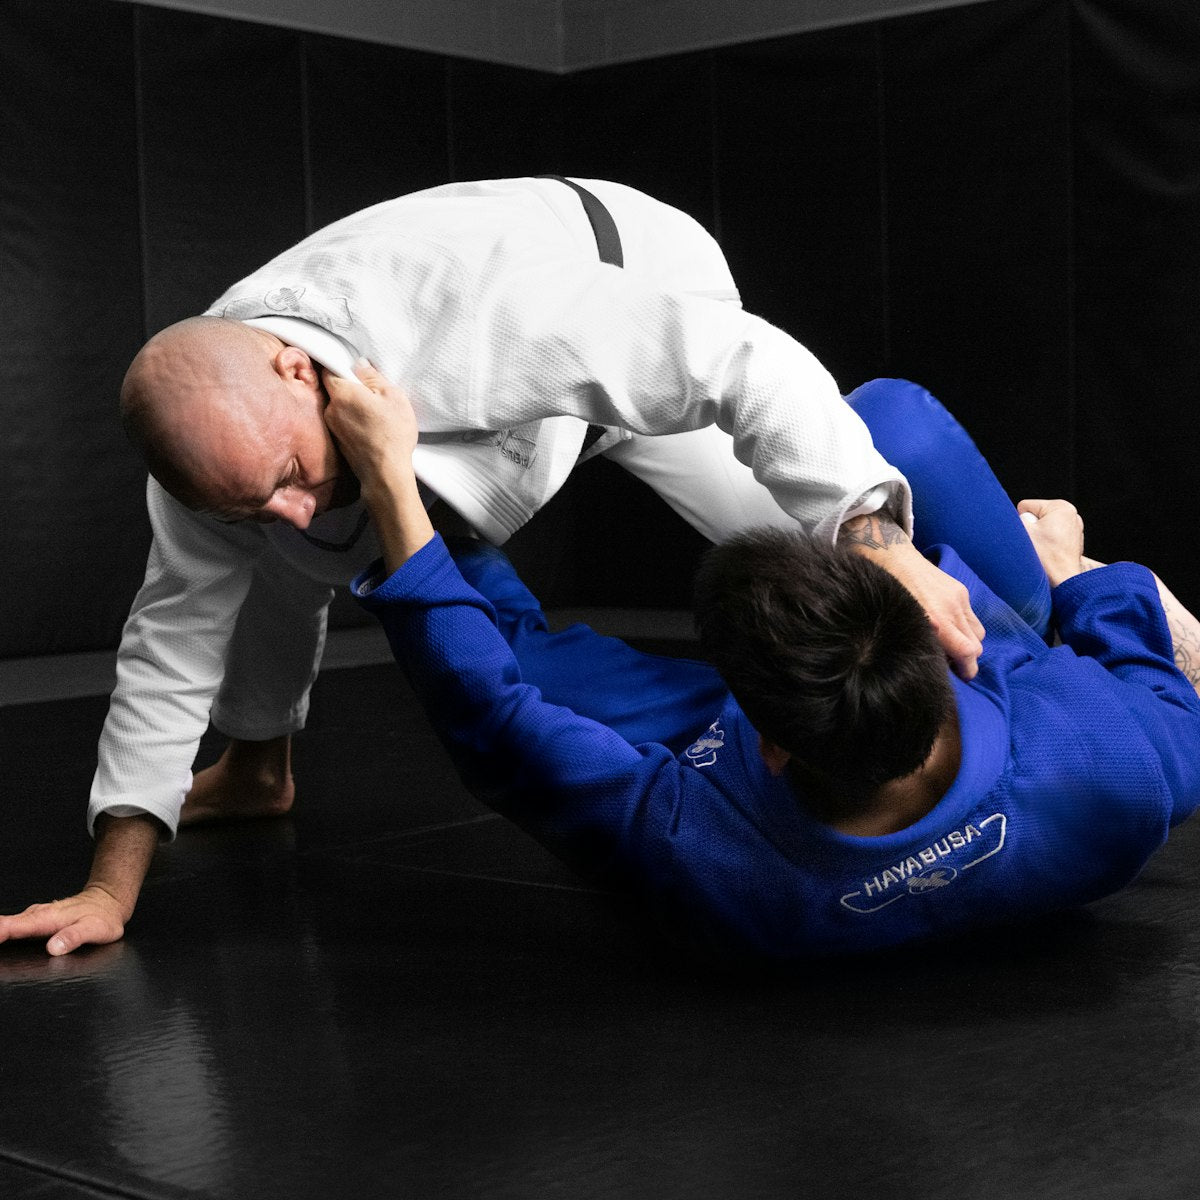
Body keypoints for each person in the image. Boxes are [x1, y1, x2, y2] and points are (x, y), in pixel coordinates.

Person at [0, 176, 985, 956]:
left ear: (296, 371)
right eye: (253, 498)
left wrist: (876, 539)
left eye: (290, 475)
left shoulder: (477, 314)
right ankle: (258, 767)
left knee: (832, 555)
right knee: (281, 549)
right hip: (434, 399)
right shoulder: (222, 445)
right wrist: (108, 886)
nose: (288, 510)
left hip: (632, 271)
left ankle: (1023, 607)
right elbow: (171, 639)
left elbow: (745, 363)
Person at [328, 363, 1200, 963]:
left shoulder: (711, 861)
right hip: (996, 665)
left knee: (513, 653)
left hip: (807, 739)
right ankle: (1030, 592)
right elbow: (1150, 674)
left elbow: (488, 708)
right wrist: (1074, 572)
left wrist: (393, 484)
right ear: (930, 637)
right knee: (892, 417)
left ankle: (447, 519)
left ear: (766, 743)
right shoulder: (1123, 766)